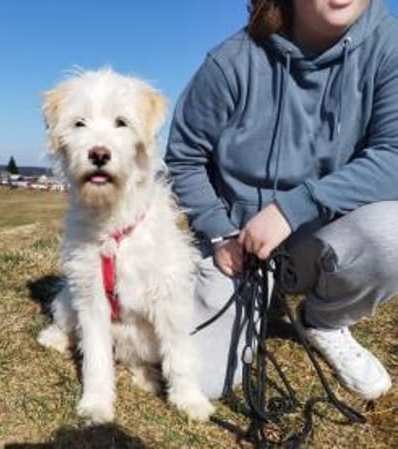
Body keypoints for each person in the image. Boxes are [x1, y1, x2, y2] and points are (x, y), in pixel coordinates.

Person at [165, 0, 398, 400]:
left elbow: (393, 155)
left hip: (323, 240)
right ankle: (245, 300)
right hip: (237, 249)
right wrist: (219, 232)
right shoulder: (230, 61)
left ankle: (323, 321)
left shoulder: (388, 46)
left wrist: (292, 209)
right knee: (202, 380)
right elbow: (183, 159)